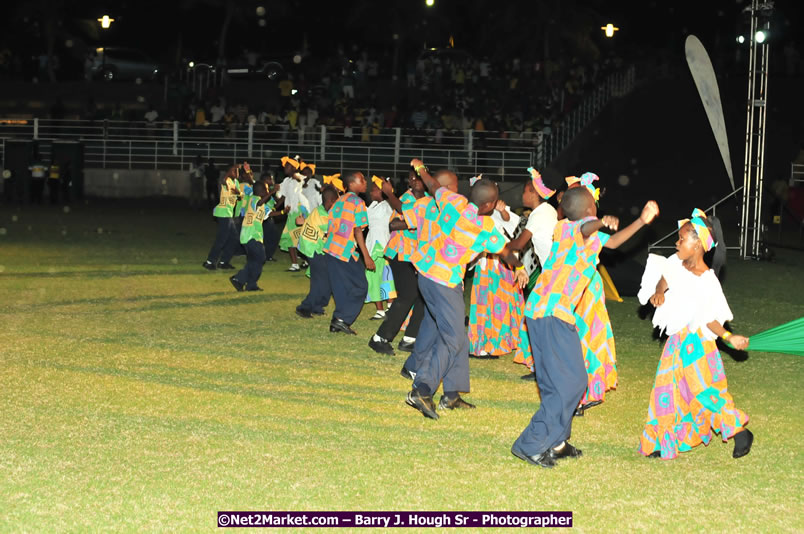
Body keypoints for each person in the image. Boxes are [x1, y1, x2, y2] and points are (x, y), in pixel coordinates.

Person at [511, 187, 659, 468]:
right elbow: (588, 228)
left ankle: (556, 443)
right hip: (553, 312)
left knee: (558, 381)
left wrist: (641, 221)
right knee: (573, 382)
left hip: (541, 310)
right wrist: (601, 222)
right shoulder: (578, 229)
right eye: (594, 204)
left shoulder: (562, 227)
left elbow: (613, 242)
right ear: (589, 209)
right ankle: (531, 444)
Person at [403, 159, 528, 419]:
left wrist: (421, 168)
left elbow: (432, 184)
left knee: (456, 331)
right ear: (491, 205)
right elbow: (507, 252)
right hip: (445, 283)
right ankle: (422, 389)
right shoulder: (485, 229)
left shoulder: (453, 201)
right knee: (453, 338)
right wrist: (518, 267)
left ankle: (452, 394)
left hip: (425, 273)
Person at [637, 208, 752, 460]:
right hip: (676, 342)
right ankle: (663, 442)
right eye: (678, 238)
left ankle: (739, 431)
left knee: (705, 392)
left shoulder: (707, 280)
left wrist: (728, 337)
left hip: (698, 344)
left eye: (681, 239)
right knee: (666, 389)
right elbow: (664, 279)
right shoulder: (676, 264)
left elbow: (710, 318)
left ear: (698, 244)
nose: (676, 242)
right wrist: (658, 291)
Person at [369, 170, 428, 356]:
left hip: (418, 255)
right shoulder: (404, 198)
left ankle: (410, 339)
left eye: (417, 177)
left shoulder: (428, 199)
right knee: (407, 294)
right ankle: (380, 338)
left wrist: (414, 221)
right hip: (400, 252)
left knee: (423, 296)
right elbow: (393, 223)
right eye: (411, 178)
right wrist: (419, 221)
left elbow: (410, 220)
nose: (414, 181)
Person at [507, 169, 558, 376]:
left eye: (525, 191)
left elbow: (519, 244)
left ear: (534, 194)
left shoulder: (539, 215)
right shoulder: (548, 210)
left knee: (536, 317)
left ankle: (542, 366)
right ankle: (541, 365)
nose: (522, 195)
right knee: (541, 318)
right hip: (554, 273)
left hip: (553, 275)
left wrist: (497, 244)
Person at [467, 184, 524, 358]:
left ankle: (508, 338)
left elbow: (509, 221)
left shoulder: (496, 210)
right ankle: (484, 343)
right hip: (487, 264)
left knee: (505, 301)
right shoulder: (474, 216)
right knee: (487, 302)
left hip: (504, 263)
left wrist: (502, 211)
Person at [322, 171, 373, 335]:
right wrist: (366, 256)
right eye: (363, 179)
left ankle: (338, 322)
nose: (365, 182)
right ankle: (342, 319)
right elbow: (358, 231)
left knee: (340, 287)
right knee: (361, 286)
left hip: (330, 248)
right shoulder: (358, 202)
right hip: (344, 250)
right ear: (353, 183)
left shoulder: (339, 200)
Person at [295, 186, 340, 318]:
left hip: (315, 248)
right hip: (313, 248)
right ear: (331, 201)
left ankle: (317, 306)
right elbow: (334, 230)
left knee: (323, 279)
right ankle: (305, 307)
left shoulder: (320, 210)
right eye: (337, 201)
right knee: (321, 281)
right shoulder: (323, 215)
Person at [364, 177, 400, 321]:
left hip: (384, 245)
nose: (370, 192)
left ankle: (390, 306)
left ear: (380, 191)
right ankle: (379, 310)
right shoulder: (372, 206)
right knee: (372, 277)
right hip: (372, 245)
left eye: (373, 189)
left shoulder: (387, 206)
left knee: (386, 277)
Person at [229, 181, 272, 292]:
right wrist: (273, 191)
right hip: (251, 235)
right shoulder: (254, 199)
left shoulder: (262, 205)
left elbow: (270, 213)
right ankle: (239, 278)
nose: (267, 191)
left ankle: (250, 284)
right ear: (261, 191)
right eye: (266, 189)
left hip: (253, 236)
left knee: (255, 260)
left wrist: (283, 211)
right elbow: (258, 203)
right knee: (260, 258)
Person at [203, 165, 240, 270]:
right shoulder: (226, 180)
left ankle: (224, 262)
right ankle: (210, 261)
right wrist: (230, 171)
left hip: (229, 214)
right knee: (222, 239)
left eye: (237, 171)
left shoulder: (235, 182)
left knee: (234, 239)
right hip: (223, 213)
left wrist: (247, 170)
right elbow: (223, 181)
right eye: (234, 171)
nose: (236, 173)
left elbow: (239, 193)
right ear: (229, 172)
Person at [277, 156, 310, 272]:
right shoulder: (286, 181)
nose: (285, 168)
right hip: (291, 213)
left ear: (293, 168)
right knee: (289, 237)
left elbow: (301, 180)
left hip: (300, 212)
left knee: (303, 238)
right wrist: (275, 207)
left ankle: (308, 260)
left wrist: (297, 167)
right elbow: (283, 196)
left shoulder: (299, 178)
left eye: (287, 166)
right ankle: (295, 264)